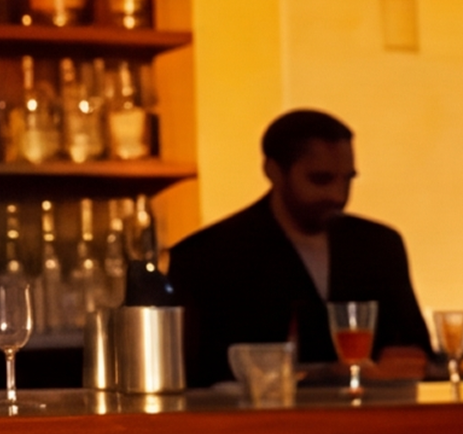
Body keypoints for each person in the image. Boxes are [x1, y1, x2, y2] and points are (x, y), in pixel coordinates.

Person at [169, 109, 430, 383]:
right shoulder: (209, 256)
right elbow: (198, 374)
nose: (338, 196)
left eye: (348, 180)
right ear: (273, 171)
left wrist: (410, 364)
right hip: (262, 424)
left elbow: (417, 349)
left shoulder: (378, 245)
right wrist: (319, 377)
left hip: (377, 421)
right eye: (320, 179)